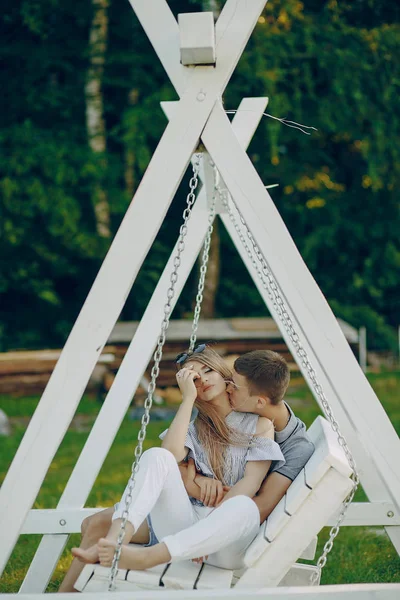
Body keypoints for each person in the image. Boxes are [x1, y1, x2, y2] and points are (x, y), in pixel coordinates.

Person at [58, 347, 313, 592]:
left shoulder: (261, 424)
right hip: (186, 521)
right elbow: (169, 457)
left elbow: (254, 489)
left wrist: (204, 525)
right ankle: (116, 541)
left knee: (244, 505)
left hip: (225, 537)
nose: (201, 379)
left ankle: (146, 557)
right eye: (193, 377)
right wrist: (188, 400)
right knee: (155, 455)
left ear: (224, 377)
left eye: (207, 371)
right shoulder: (196, 426)